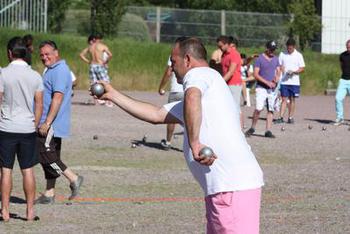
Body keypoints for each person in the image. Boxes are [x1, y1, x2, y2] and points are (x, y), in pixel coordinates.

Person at [94, 37, 264, 234]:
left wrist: (194, 143)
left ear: (188, 60)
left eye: (173, 62)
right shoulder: (208, 88)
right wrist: (113, 95)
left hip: (231, 188)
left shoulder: (198, 75)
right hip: (227, 188)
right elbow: (156, 114)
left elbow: (192, 96)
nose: (171, 68)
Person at [35, 40, 83, 204]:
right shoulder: (51, 69)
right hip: (50, 122)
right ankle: (49, 193)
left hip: (51, 124)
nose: (44, 57)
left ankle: (73, 178)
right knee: (51, 156)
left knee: (47, 157)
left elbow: (58, 97)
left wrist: (47, 122)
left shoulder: (60, 70)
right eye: (41, 55)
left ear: (57, 53)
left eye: (47, 54)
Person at [0, 37, 43, 221]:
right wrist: (34, 124)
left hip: (6, 127)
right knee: (28, 170)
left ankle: (5, 211)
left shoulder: (2, 73)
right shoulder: (35, 75)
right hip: (27, 128)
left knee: (6, 170)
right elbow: (39, 103)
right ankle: (30, 211)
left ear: (10, 53)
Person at [245, 40, 281, 138]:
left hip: (272, 89)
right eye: (271, 49)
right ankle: (252, 127)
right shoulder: (259, 59)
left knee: (270, 109)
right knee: (258, 108)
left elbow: (278, 70)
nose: (272, 52)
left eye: (274, 50)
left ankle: (268, 130)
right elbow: (256, 74)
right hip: (261, 88)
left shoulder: (275, 59)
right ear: (267, 48)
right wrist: (267, 82)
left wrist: (276, 79)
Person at [274, 38, 305, 124]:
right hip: (284, 81)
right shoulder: (282, 54)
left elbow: (302, 68)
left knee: (292, 99)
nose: (289, 49)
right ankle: (280, 117)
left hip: (294, 82)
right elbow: (279, 66)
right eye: (288, 48)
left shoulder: (299, 55)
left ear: (294, 47)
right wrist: (281, 69)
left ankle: (290, 117)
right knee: (284, 99)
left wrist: (294, 72)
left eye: (290, 48)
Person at [158, 52, 184, 150]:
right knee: (190, 118)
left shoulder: (174, 54)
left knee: (171, 117)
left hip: (175, 91)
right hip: (188, 90)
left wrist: (161, 87)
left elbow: (169, 72)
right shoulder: (193, 55)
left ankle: (168, 142)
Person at [217, 36, 244, 127]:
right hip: (226, 84)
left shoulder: (235, 54)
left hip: (234, 84)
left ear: (227, 44)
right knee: (227, 107)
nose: (219, 48)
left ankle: (239, 131)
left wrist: (220, 82)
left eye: (221, 46)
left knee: (235, 108)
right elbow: (222, 69)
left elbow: (231, 71)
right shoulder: (223, 55)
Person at [80, 33, 113, 107]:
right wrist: (105, 62)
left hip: (92, 66)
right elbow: (110, 55)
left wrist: (88, 61)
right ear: (100, 39)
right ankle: (108, 101)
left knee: (94, 83)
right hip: (100, 65)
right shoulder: (102, 46)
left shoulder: (90, 47)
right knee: (106, 83)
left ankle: (95, 102)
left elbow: (81, 55)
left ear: (94, 39)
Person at [334, 39, 350, 125]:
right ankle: (340, 118)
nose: (348, 49)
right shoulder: (342, 55)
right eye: (347, 47)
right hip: (343, 80)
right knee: (338, 98)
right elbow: (341, 66)